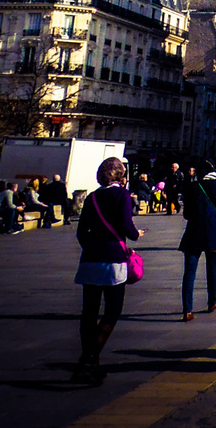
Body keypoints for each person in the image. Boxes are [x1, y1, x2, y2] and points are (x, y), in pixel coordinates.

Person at [72, 157, 142, 383]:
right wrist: (136, 235)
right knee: (112, 310)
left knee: (89, 312)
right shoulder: (122, 195)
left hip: (90, 259)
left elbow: (82, 231)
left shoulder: (92, 197)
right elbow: (126, 226)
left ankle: (91, 364)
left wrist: (93, 247)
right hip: (113, 259)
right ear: (121, 175)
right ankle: (89, 360)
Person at [179, 167, 216, 321]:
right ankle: (211, 301)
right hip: (213, 233)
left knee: (189, 272)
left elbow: (186, 214)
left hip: (193, 233)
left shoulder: (193, 186)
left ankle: (187, 309)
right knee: (212, 270)